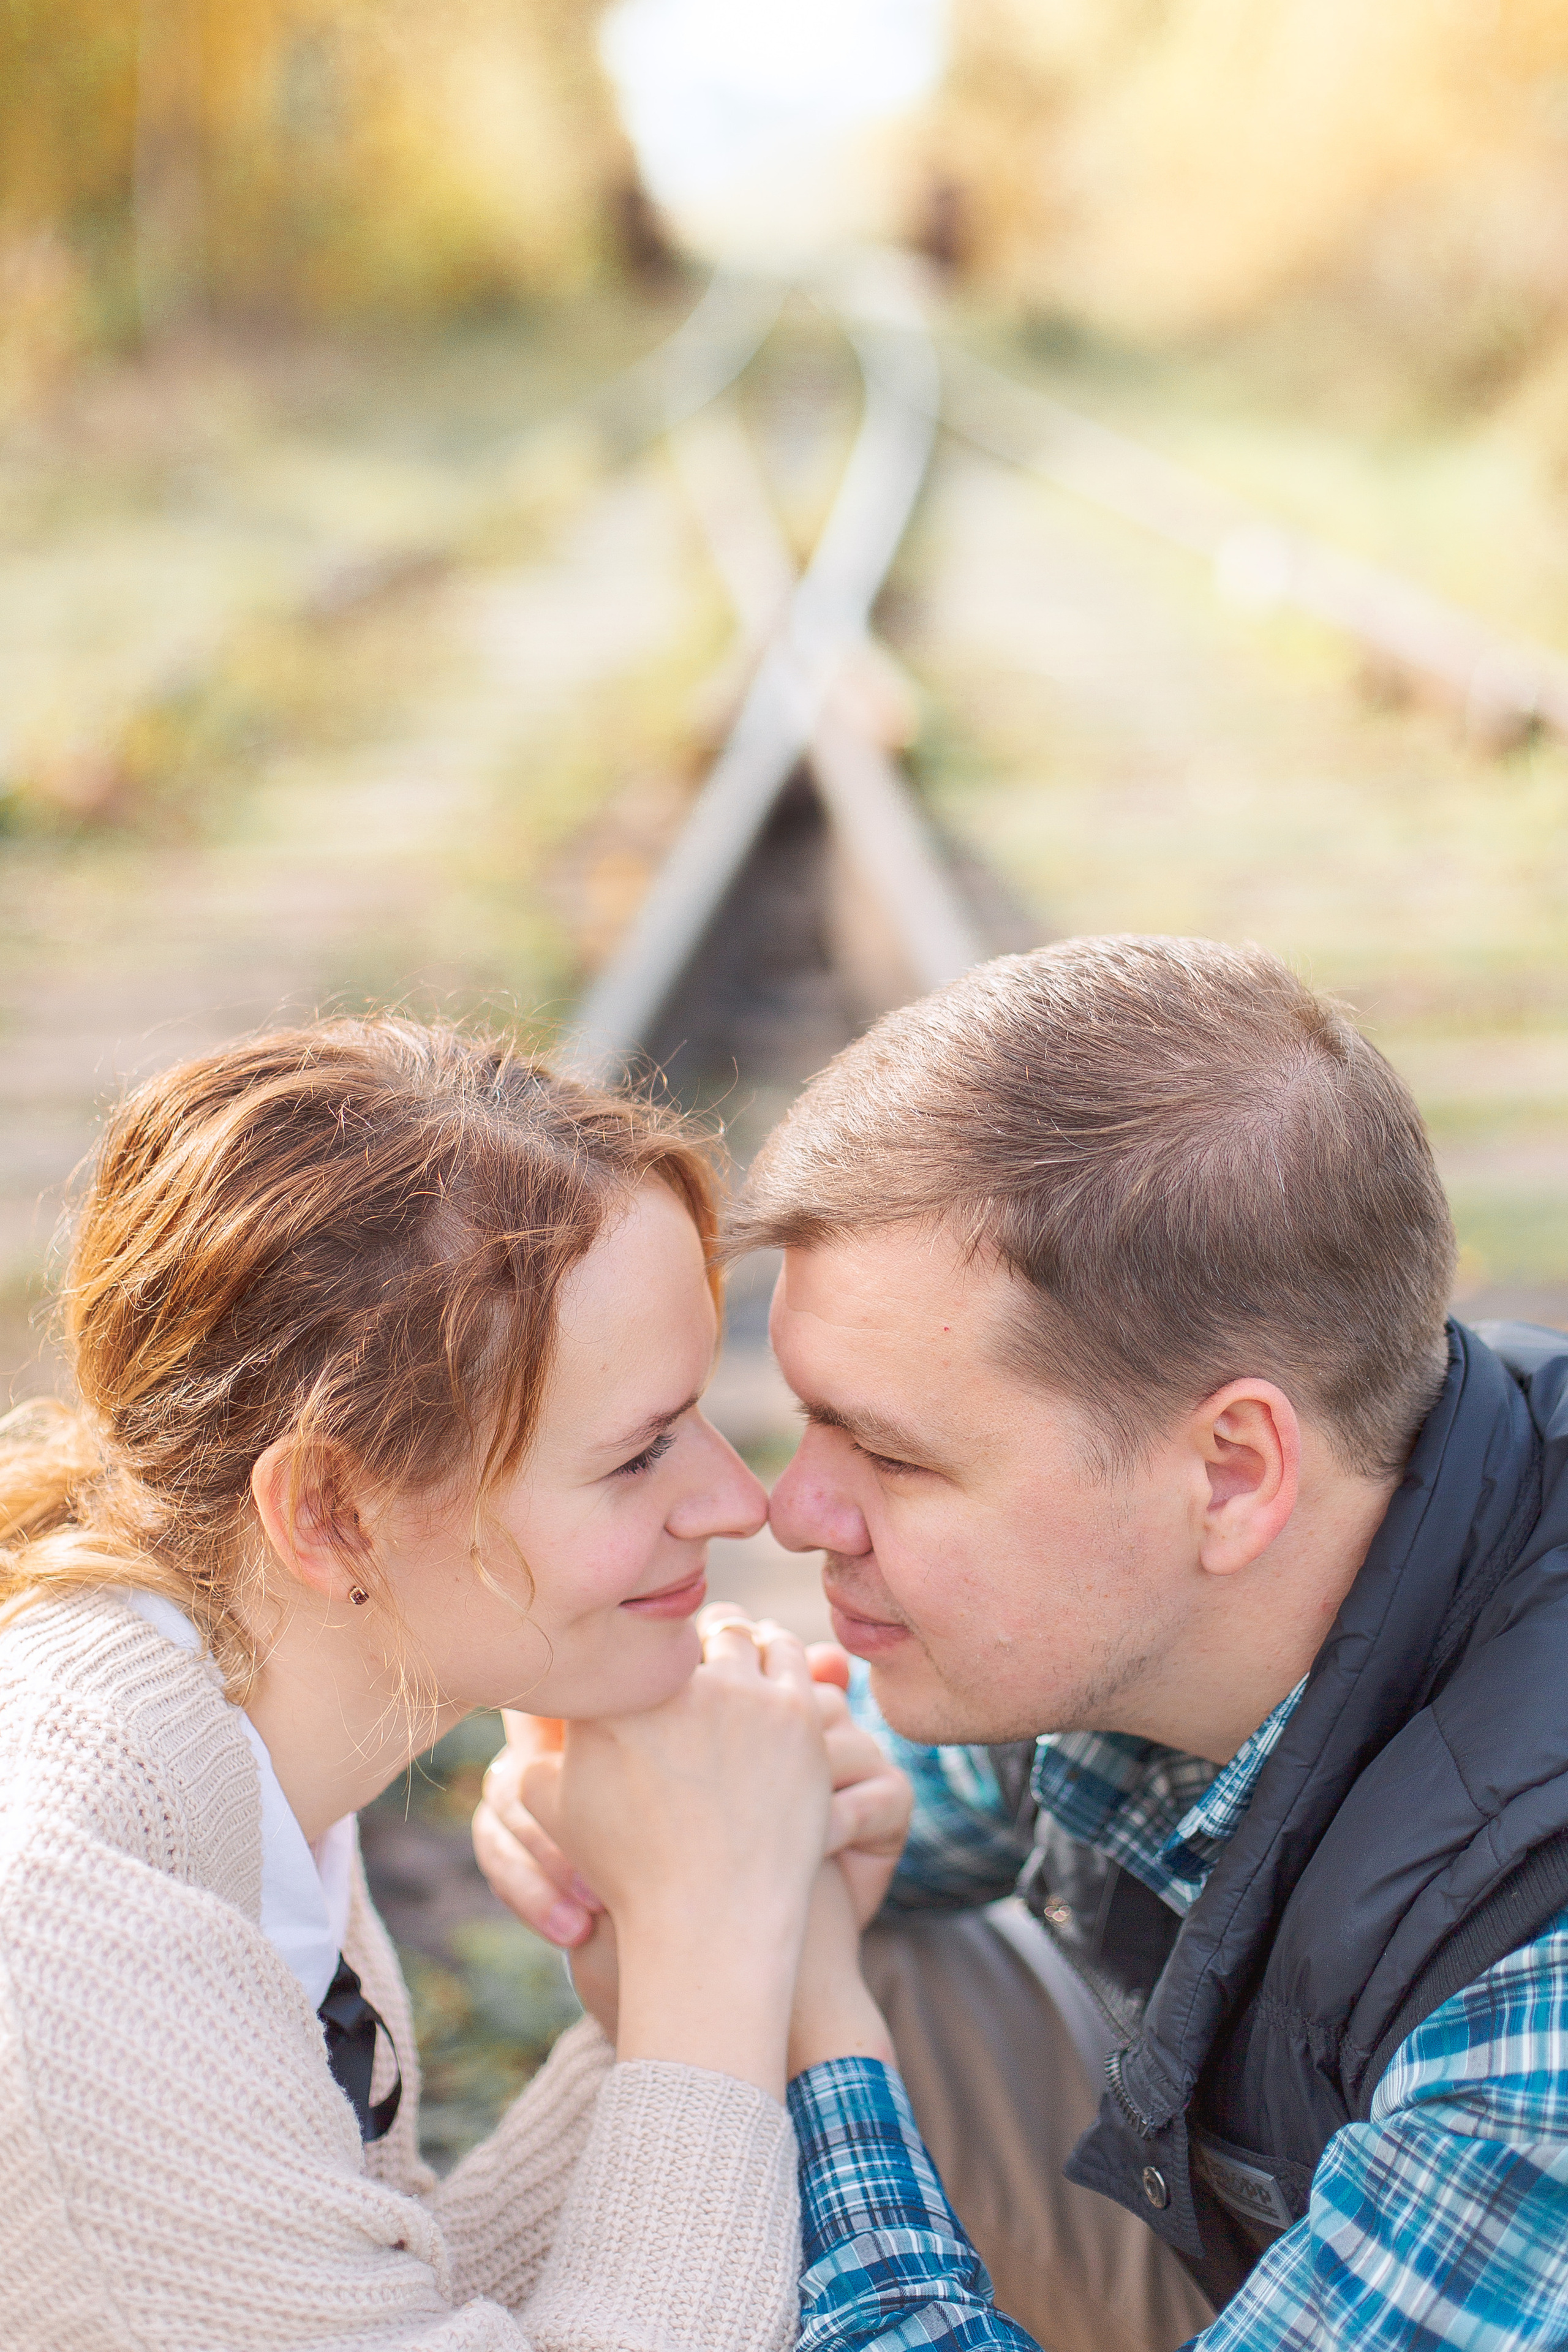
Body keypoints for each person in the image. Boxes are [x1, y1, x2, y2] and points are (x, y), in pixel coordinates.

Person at [478, 935, 1568, 2352]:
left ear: (1231, 1472)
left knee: (788, 1984)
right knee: (813, 1936)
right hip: (1277, 2215)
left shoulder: (1532, 1994)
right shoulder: (1228, 1578)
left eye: (889, 1454)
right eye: (808, 1422)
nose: (789, 1511)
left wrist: (804, 2017)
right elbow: (809, 1814)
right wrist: (685, 1798)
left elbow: (785, 1961)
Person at [0, 1013, 918, 2352]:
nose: (736, 1501)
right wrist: (714, 1933)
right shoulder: (84, 1943)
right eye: (634, 1456)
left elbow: (373, 2304)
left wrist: (658, 1988)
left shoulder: (214, 1755)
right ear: (331, 1515)